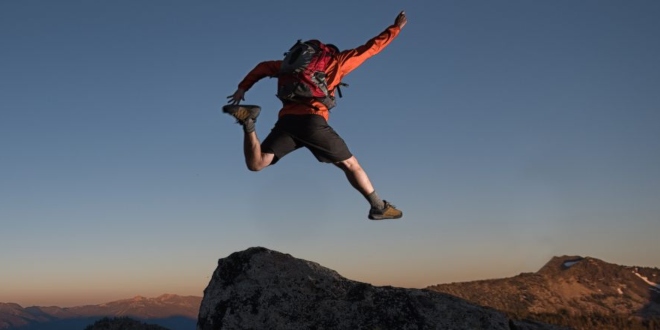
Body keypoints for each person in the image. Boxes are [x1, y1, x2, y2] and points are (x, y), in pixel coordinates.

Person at [223, 11, 407, 220]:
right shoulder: (336, 62)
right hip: (312, 121)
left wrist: (242, 88)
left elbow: (262, 67)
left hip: (287, 123)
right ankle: (378, 207)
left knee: (257, 163)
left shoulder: (288, 65)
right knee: (350, 164)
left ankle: (249, 122)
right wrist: (396, 28)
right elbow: (371, 48)